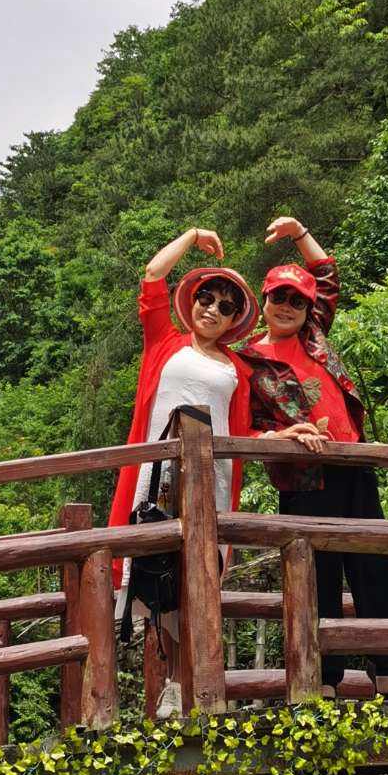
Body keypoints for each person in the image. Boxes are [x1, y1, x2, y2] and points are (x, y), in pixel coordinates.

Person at [244, 214, 388, 690]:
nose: (288, 306)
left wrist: (299, 233)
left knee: (372, 566)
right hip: (303, 477)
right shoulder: (247, 359)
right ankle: (326, 680)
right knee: (318, 576)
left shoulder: (314, 336)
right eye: (280, 297)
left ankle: (386, 674)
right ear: (265, 300)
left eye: (297, 299)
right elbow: (243, 428)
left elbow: (328, 274)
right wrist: (279, 437)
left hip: (352, 463)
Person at [107, 227, 256, 710]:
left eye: (225, 306)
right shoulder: (164, 343)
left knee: (198, 578)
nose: (212, 309)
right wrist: (192, 236)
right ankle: (170, 685)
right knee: (154, 572)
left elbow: (242, 434)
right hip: (154, 477)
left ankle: (194, 688)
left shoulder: (239, 370)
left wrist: (282, 436)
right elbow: (152, 276)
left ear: (235, 320)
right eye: (206, 298)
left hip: (210, 485)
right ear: (192, 302)